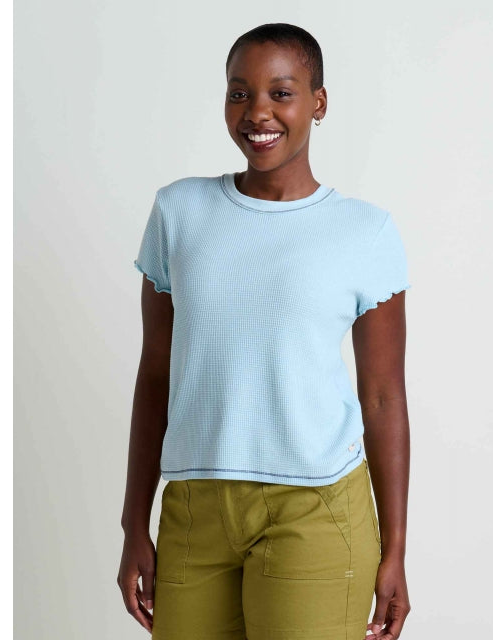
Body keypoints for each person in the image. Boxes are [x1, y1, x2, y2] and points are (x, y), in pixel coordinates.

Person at [118, 23, 412, 640]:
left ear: (318, 102)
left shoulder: (365, 231)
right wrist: (132, 525)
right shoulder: (179, 212)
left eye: (281, 93)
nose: (257, 112)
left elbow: (384, 396)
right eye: (239, 93)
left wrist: (396, 549)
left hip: (316, 509)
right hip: (196, 508)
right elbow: (155, 375)